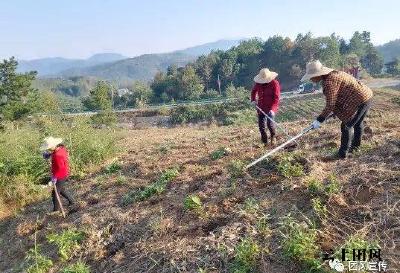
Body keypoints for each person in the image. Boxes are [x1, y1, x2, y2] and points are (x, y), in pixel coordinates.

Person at [301, 60, 373, 159]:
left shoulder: (329, 82)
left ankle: (343, 154)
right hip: (366, 96)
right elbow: (340, 96)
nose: (311, 79)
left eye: (311, 76)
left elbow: (330, 104)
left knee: (346, 126)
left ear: (318, 74)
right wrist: (333, 112)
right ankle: (356, 148)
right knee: (357, 124)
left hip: (360, 100)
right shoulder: (334, 74)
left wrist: (319, 119)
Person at [41, 136, 75, 212]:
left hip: (61, 174)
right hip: (64, 173)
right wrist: (49, 155)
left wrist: (55, 177)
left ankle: (56, 210)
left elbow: (60, 168)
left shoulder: (57, 155)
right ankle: (72, 201)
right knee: (61, 189)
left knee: (55, 193)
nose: (48, 149)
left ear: (53, 146)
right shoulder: (61, 149)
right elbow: (56, 154)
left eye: (49, 148)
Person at [251, 68, 281, 145]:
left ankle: (273, 137)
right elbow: (253, 91)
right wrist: (253, 100)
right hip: (261, 107)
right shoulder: (258, 83)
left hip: (271, 107)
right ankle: (265, 142)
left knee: (270, 124)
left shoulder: (274, 83)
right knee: (261, 127)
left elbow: (276, 98)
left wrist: (273, 109)